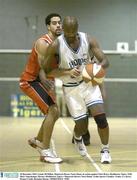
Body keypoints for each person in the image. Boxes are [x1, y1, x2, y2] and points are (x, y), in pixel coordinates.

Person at [44, 16, 112, 163]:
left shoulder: (88, 39)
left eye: (72, 35)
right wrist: (67, 72)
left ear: (76, 30)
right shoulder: (56, 45)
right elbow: (48, 70)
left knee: (101, 118)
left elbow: (105, 60)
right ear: (64, 31)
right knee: (81, 125)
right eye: (67, 35)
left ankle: (105, 150)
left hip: (89, 84)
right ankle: (77, 137)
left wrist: (96, 68)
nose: (70, 38)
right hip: (71, 88)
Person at [19, 13, 63, 163]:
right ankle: (45, 150)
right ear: (48, 26)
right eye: (54, 23)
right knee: (54, 110)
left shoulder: (60, 43)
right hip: (30, 81)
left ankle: (38, 140)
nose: (58, 25)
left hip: (41, 82)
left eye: (59, 22)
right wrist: (46, 79)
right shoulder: (43, 43)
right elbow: (44, 68)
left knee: (55, 112)